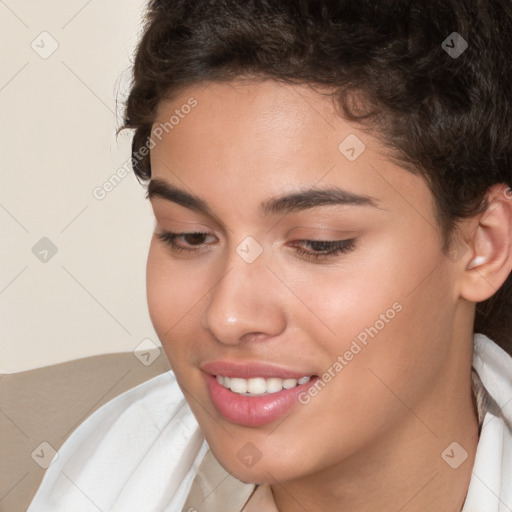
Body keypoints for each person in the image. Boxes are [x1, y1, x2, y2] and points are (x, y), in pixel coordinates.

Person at [28, 0, 512, 510]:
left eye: (318, 243)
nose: (228, 316)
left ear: (484, 245)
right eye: (189, 235)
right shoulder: (50, 456)